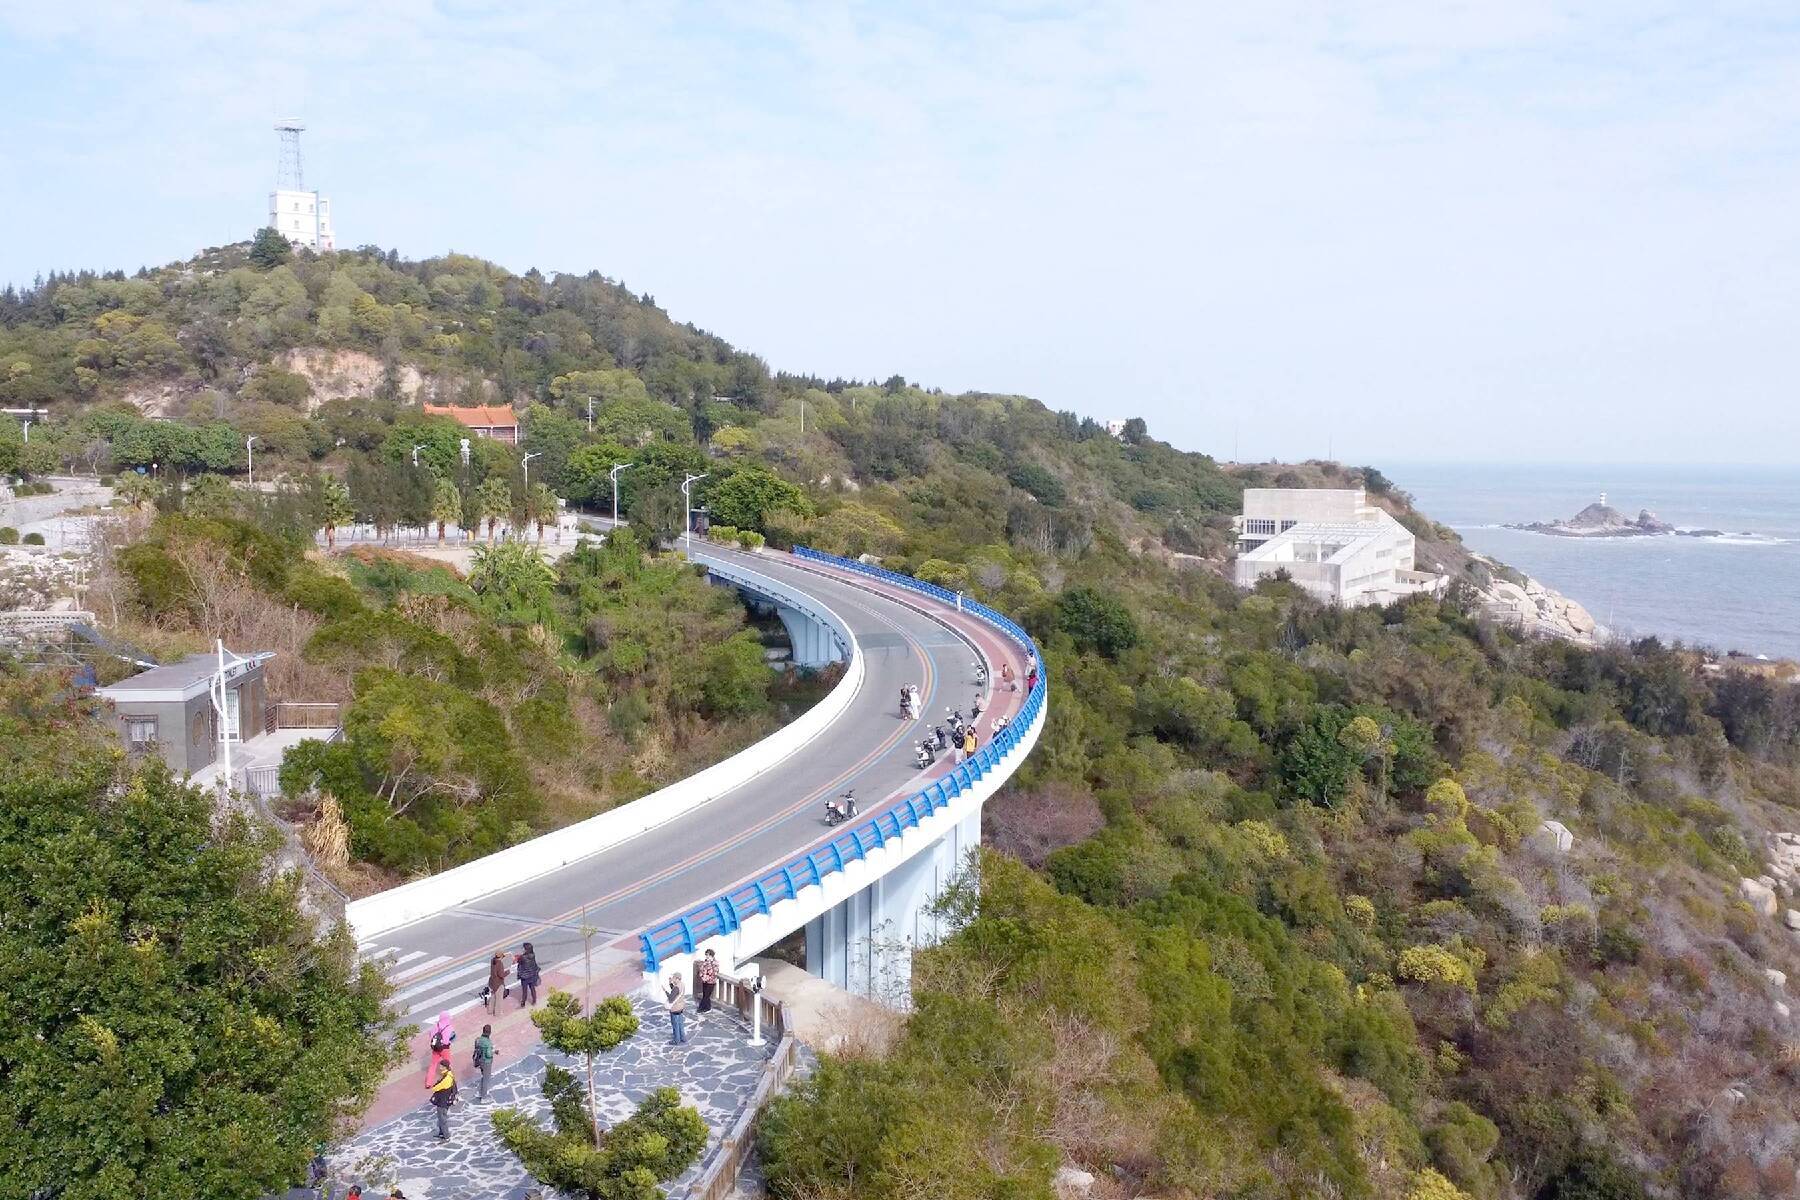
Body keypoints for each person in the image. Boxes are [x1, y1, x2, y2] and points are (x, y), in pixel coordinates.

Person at [427, 1057, 457, 1141]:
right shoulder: (449, 1073)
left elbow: (438, 1087)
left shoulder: (447, 1078)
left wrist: (433, 1087)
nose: (439, 1067)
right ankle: (442, 1133)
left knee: (442, 1118)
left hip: (443, 1101)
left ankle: (446, 1136)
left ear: (444, 1067)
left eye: (441, 1066)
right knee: (441, 1118)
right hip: (444, 1100)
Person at [426, 1012, 455, 1082]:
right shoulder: (449, 1027)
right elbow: (452, 1038)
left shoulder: (436, 1026)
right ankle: (450, 1079)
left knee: (433, 1065)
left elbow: (430, 1034)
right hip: (445, 1048)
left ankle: (428, 1082)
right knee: (447, 1064)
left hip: (436, 1048)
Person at [473, 1023, 495, 1101]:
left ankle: (480, 1091)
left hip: (480, 1061)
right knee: (486, 1079)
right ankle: (484, 1097)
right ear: (489, 1032)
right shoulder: (488, 1043)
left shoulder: (478, 1040)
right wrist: (494, 1051)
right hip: (486, 1062)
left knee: (483, 1077)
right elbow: (489, 1054)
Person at [665, 972, 688, 1044]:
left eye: (674, 978)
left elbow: (671, 998)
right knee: (680, 1023)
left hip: (675, 1008)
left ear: (677, 978)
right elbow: (675, 992)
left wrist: (665, 991)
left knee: (675, 1025)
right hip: (681, 1006)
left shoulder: (676, 987)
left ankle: (676, 1040)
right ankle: (683, 1038)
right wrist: (670, 984)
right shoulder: (682, 984)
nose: (673, 979)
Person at [516, 942, 540, 1008]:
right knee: (532, 988)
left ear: (526, 949)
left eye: (523, 948)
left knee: (524, 991)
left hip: (525, 976)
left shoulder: (522, 957)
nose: (522, 949)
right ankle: (534, 1001)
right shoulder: (533, 955)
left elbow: (519, 962)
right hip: (532, 975)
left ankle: (523, 1003)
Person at [697, 949, 719, 1014]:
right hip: (704, 981)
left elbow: (715, 973)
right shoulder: (705, 962)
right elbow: (701, 970)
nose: (706, 956)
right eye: (706, 955)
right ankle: (707, 1007)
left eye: (708, 955)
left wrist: (706, 978)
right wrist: (702, 977)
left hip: (711, 982)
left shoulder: (715, 963)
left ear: (711, 955)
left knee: (706, 995)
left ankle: (701, 1008)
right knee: (705, 995)